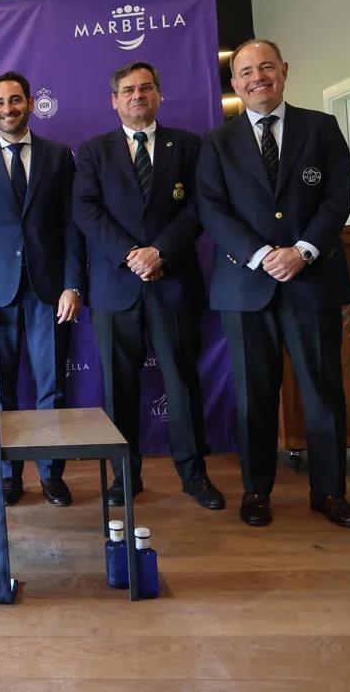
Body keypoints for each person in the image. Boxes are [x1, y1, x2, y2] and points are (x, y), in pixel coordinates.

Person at [197, 39, 350, 529]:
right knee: (254, 396)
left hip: (313, 281)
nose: (257, 78)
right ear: (234, 83)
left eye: (266, 67)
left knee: (323, 391)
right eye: (246, 72)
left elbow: (339, 194)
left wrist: (303, 250)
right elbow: (211, 208)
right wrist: (263, 255)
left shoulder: (321, 128)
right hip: (246, 286)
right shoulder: (216, 142)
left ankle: (330, 492)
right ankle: (256, 490)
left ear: (284, 71)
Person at [73, 62, 223, 510]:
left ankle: (194, 475)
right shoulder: (93, 151)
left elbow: (201, 207)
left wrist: (159, 252)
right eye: (128, 90)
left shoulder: (189, 146)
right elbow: (85, 210)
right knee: (119, 386)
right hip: (115, 287)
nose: (137, 95)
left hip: (172, 281)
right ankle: (125, 476)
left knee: (182, 381)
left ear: (158, 94)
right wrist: (130, 255)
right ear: (114, 100)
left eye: (145, 88)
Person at [0, 72, 85, 507]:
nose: (8, 108)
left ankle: (51, 474)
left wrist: (72, 285)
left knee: (53, 390)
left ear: (29, 102)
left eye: (15, 100)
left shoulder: (58, 155)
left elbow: (72, 226)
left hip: (50, 293)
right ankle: (8, 475)